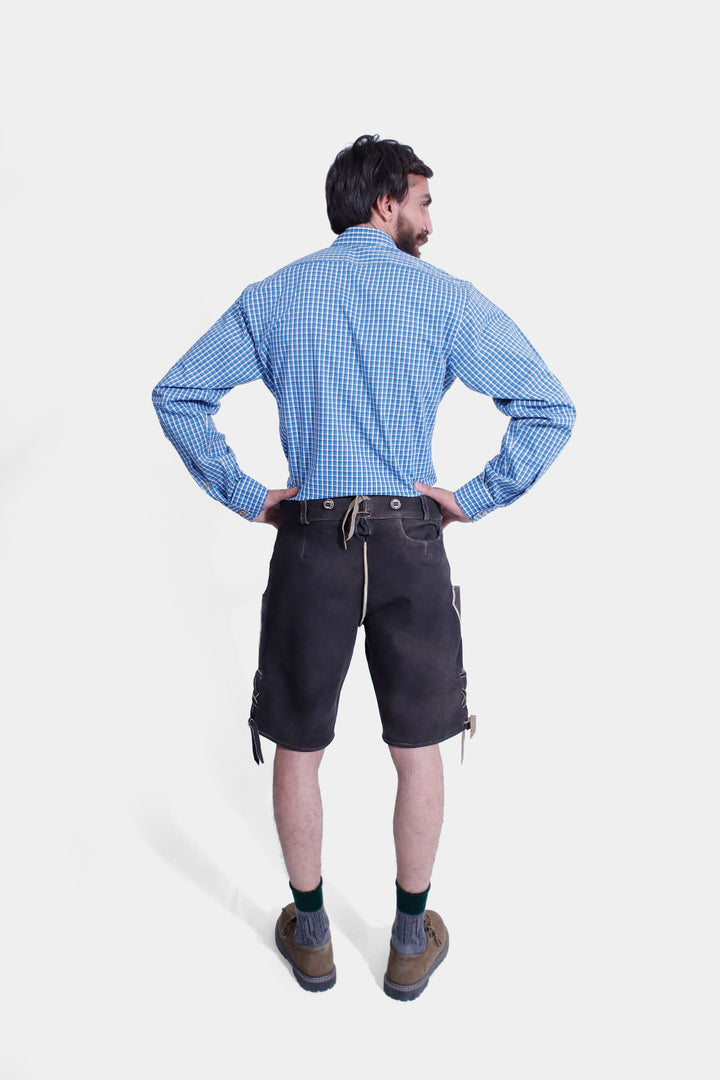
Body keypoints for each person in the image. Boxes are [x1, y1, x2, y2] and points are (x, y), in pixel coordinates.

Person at [151, 134, 576, 1000]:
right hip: (410, 541)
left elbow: (178, 392)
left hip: (310, 540)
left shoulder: (276, 296)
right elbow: (548, 406)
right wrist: (472, 496)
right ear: (384, 203)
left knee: (298, 751)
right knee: (418, 752)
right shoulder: (443, 300)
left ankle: (311, 934)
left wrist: (249, 495)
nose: (428, 219)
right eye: (422, 201)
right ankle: (411, 939)